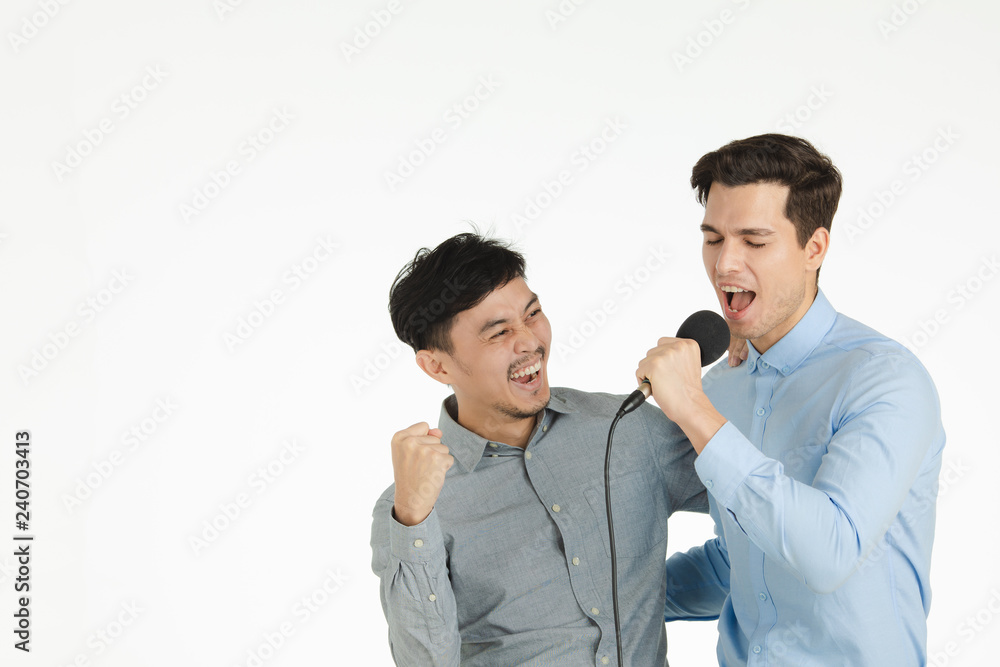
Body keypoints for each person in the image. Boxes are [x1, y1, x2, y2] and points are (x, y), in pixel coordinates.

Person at [636, 134, 946, 665]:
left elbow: (826, 554)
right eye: (713, 238)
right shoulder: (724, 384)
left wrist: (693, 411)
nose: (724, 264)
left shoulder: (886, 381)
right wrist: (604, 600)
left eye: (754, 242)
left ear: (815, 248)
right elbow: (745, 563)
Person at [370, 232, 708, 666]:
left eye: (533, 314)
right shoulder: (408, 511)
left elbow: (757, 514)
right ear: (437, 365)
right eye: (499, 332)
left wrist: (702, 403)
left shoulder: (627, 427)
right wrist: (414, 519)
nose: (529, 341)